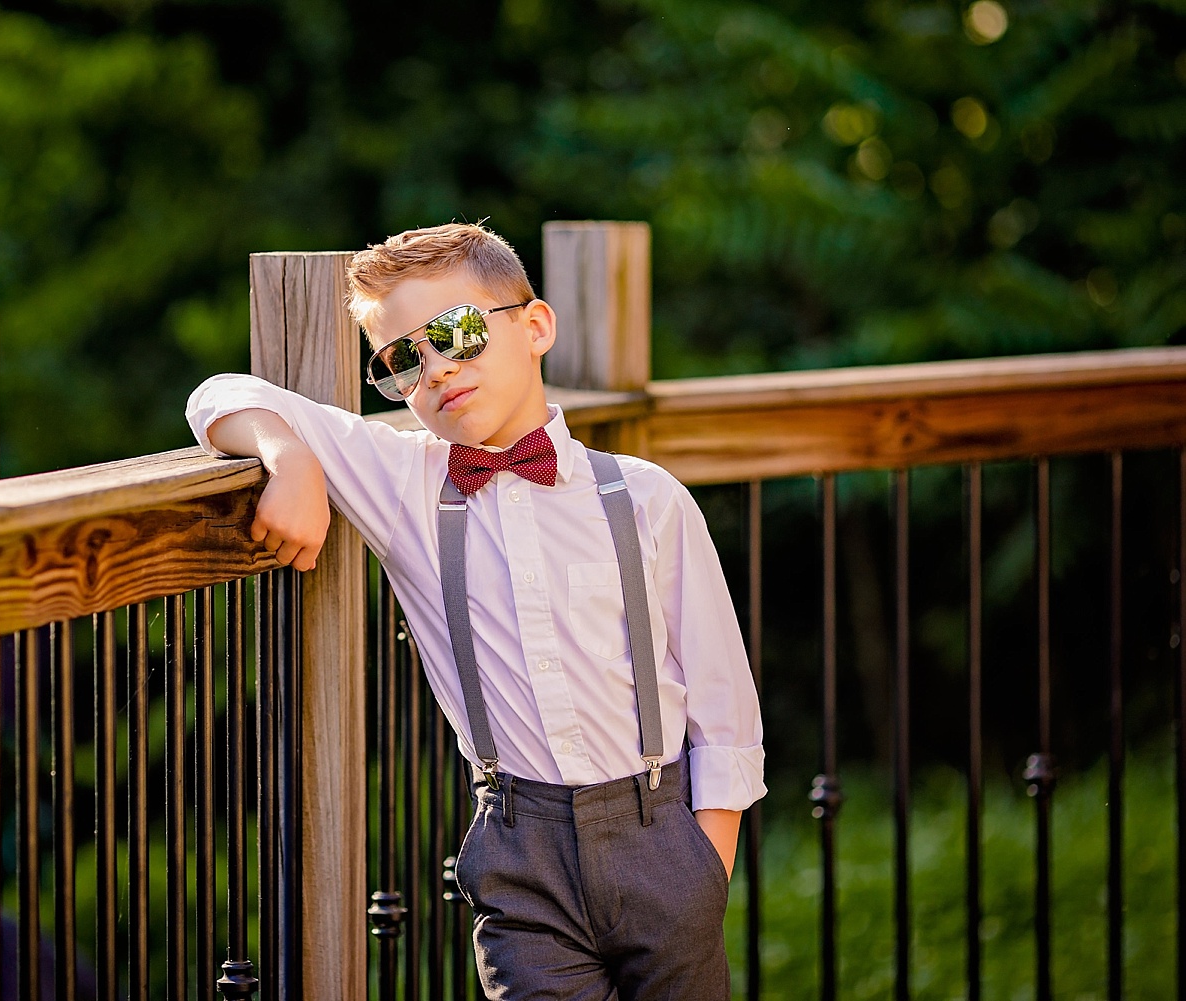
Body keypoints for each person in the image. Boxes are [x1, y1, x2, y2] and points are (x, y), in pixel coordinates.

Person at [186, 222, 765, 1000]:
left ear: (534, 328)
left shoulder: (646, 497)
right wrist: (289, 457)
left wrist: (703, 870)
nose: (436, 370)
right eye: (403, 360)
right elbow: (219, 394)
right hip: (522, 860)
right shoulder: (406, 489)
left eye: (456, 334)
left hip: (661, 840)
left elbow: (725, 709)